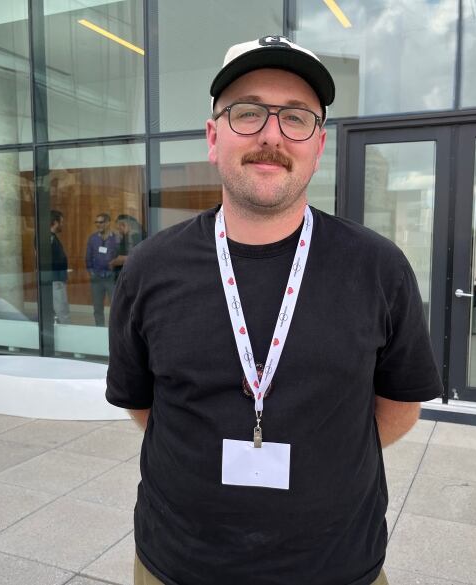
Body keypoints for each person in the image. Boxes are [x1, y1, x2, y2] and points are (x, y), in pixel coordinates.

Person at [107, 36, 442, 585]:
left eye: (296, 118)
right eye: (248, 113)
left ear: (319, 144)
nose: (271, 135)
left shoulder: (378, 267)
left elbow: (400, 405)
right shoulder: (150, 268)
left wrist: (323, 454)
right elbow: (145, 407)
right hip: (176, 566)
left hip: (339, 567)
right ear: (214, 137)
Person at [86, 213, 119, 326]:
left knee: (116, 306)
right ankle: (99, 329)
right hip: (97, 278)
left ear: (108, 223)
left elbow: (119, 256)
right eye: (97, 222)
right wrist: (91, 271)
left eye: (101, 222)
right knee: (97, 307)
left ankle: (114, 330)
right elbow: (88, 256)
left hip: (111, 277)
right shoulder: (93, 238)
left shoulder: (116, 239)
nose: (98, 225)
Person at [50, 209, 70, 324]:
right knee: (61, 308)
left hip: (57, 278)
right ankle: (66, 337)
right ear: (55, 222)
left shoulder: (52, 237)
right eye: (61, 222)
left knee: (59, 308)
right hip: (55, 279)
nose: (62, 225)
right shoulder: (49, 238)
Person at [109, 214, 144, 279]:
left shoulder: (136, 237)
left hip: (132, 276)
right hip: (122, 275)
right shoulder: (124, 237)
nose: (118, 228)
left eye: (121, 225)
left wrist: (119, 260)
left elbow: (138, 256)